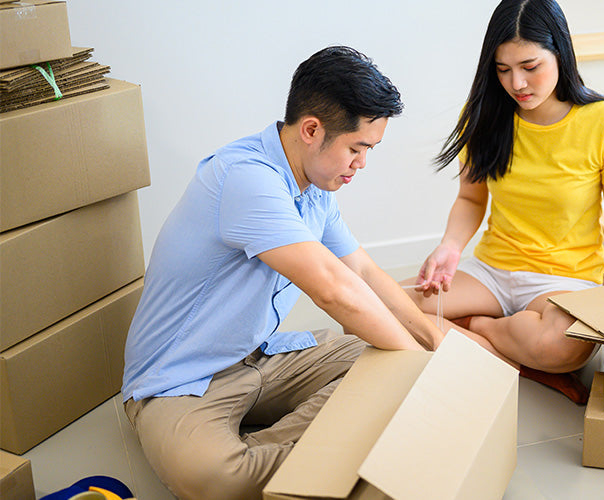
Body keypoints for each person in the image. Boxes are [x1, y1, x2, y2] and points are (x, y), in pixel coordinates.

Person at [121, 46, 446, 500]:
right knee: (213, 478)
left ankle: (298, 461)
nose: (362, 164)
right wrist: (418, 365)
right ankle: (314, 459)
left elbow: (364, 274)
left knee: (405, 360)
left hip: (262, 357)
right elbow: (334, 291)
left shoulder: (314, 187)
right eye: (357, 148)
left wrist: (435, 349)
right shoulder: (246, 178)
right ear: (312, 129)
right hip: (181, 381)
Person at [404, 0, 604, 404]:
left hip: (565, 278)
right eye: (502, 70)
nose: (517, 83)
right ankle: (512, 357)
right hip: (493, 269)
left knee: (563, 346)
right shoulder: (485, 116)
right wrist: (449, 248)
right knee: (376, 308)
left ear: (560, 51)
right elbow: (471, 199)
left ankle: (478, 331)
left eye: (530, 66)